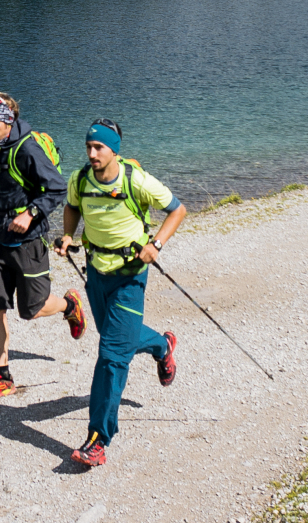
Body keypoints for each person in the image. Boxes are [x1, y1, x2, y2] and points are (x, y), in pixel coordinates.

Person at [55, 118, 186, 468]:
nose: (92, 153)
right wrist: (68, 236)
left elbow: (177, 209)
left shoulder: (135, 180)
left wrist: (156, 244)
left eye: (99, 147)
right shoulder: (80, 179)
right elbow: (71, 207)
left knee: (112, 355)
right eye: (88, 147)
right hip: (96, 273)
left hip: (130, 278)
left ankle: (98, 438)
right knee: (115, 337)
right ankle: (162, 345)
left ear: (115, 149)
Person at [0, 92, 86, 404]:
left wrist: (30, 213)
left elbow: (57, 187)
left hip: (28, 241)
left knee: (30, 310)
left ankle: (69, 306)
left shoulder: (27, 149)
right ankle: (3, 376)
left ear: (8, 122)